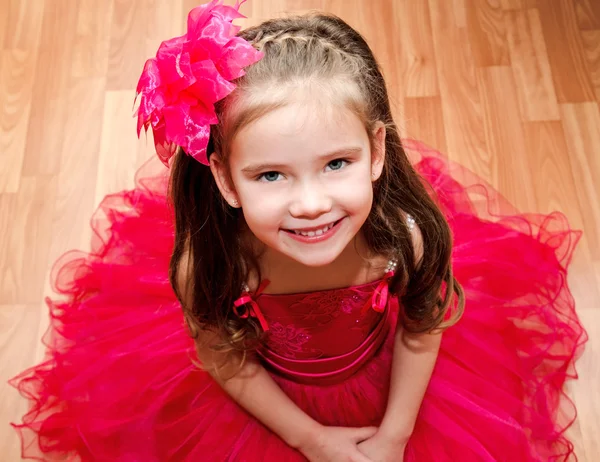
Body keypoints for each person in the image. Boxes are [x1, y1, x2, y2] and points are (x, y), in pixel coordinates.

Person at [11, 1, 586, 461]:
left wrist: (394, 436)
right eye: (270, 175)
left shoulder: (402, 241)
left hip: (392, 395)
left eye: (337, 163)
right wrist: (309, 440)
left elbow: (421, 329)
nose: (310, 205)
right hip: (276, 407)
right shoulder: (212, 266)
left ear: (377, 151)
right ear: (225, 179)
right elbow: (224, 359)